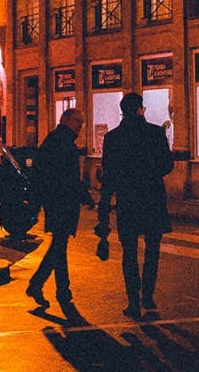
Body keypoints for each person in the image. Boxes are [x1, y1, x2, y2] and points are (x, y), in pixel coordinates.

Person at [97, 92, 177, 320]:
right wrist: (150, 172)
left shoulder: (113, 138)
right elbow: (167, 165)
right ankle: (148, 295)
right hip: (152, 197)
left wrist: (104, 210)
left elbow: (109, 175)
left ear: (123, 111)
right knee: (153, 249)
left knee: (129, 252)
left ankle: (133, 300)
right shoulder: (155, 132)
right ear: (141, 109)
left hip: (127, 200)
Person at [26, 109, 88, 309]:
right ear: (67, 120)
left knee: (59, 247)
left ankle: (54, 289)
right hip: (61, 201)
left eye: (82, 123)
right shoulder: (61, 142)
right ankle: (52, 288)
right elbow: (66, 177)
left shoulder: (56, 140)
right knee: (59, 247)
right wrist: (82, 194)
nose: (80, 126)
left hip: (56, 201)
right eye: (78, 122)